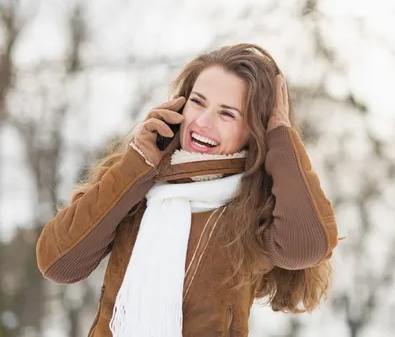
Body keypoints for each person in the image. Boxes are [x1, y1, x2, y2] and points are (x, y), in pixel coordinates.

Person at [36, 43, 339, 337]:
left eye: (227, 113)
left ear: (255, 130)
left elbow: (308, 246)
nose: (203, 122)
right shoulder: (138, 180)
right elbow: (58, 263)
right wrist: (136, 165)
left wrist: (281, 138)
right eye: (198, 101)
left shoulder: (254, 203)